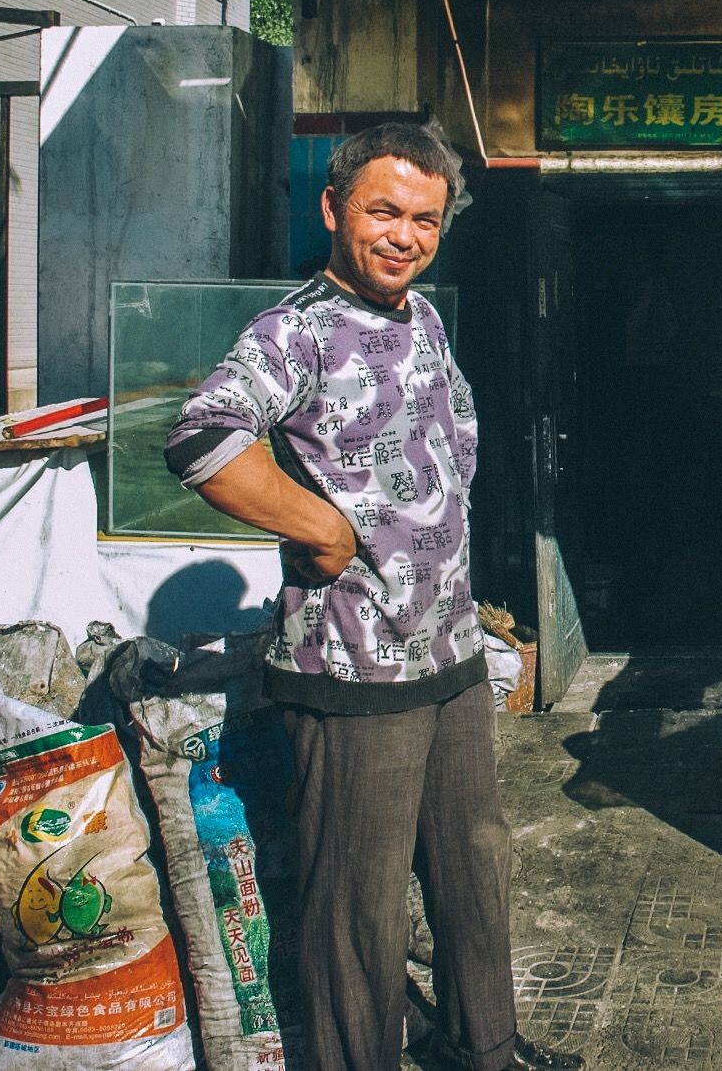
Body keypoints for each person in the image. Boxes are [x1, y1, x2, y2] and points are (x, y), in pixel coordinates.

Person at [164, 122, 580, 1071]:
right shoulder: (294, 331)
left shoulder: (423, 317)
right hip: (351, 665)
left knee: (476, 864)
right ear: (334, 210)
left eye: (424, 219)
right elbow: (202, 438)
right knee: (358, 906)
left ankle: (487, 1048)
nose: (404, 235)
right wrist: (319, 527)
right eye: (382, 211)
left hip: (447, 655)